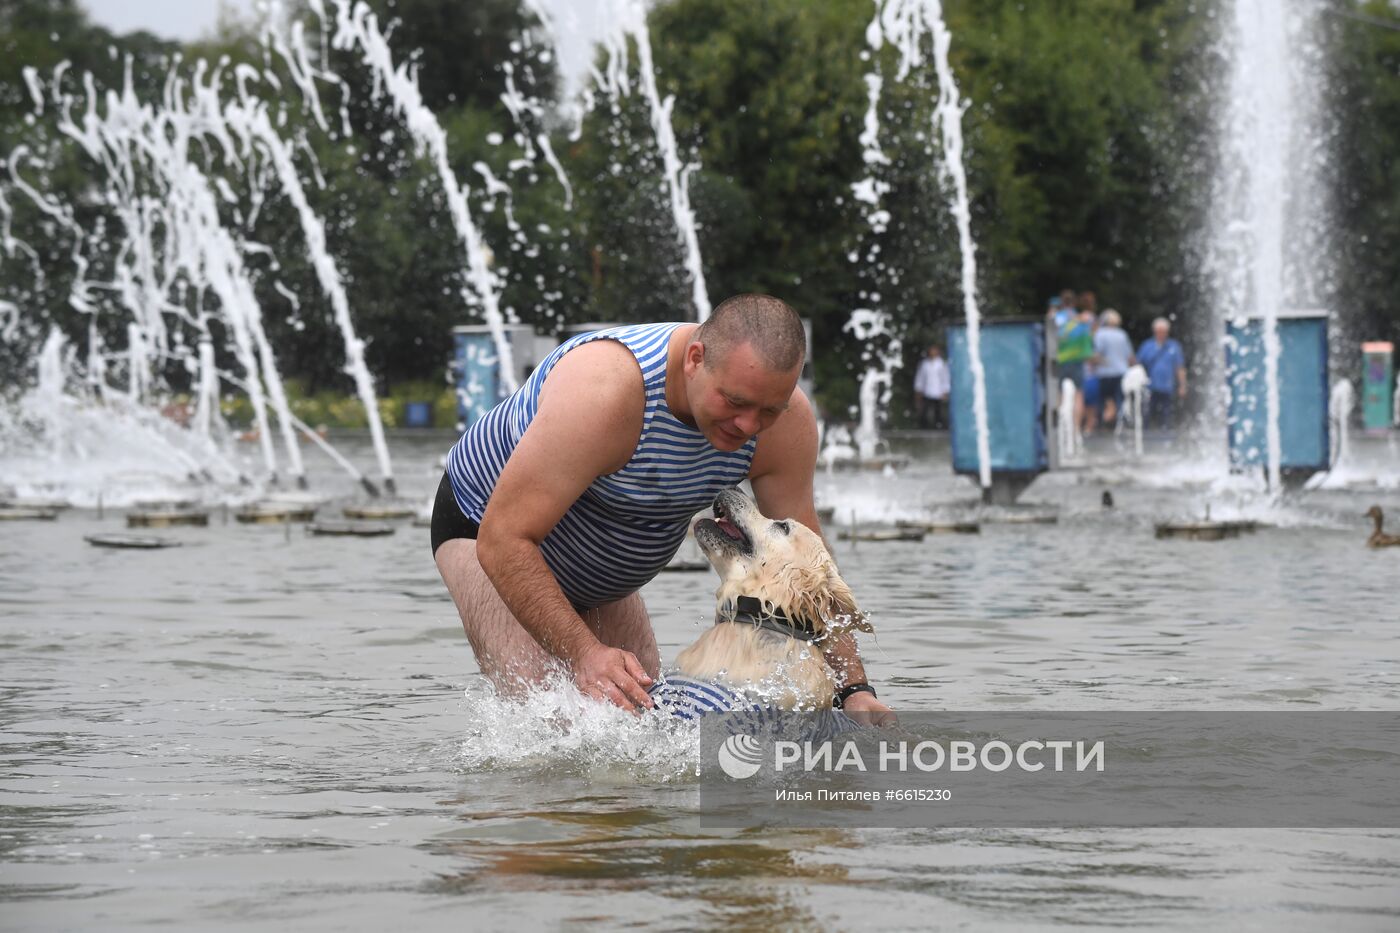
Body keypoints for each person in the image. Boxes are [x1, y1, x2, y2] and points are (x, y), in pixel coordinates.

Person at [430, 294, 892, 719]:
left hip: (602, 563)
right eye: (734, 402)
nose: (748, 425)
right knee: (554, 725)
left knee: (644, 724)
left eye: (768, 410)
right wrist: (586, 653)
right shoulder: (606, 390)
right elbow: (504, 538)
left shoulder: (784, 424)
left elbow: (809, 568)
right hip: (488, 530)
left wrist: (853, 688)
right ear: (695, 359)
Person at [1136, 317, 1187, 431]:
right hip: (1150, 385)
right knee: (1147, 410)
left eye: (1163, 331)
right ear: (1154, 331)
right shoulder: (1147, 346)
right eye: (1159, 331)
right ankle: (1145, 432)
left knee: (1167, 411)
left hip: (1168, 385)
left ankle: (1166, 432)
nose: (1161, 334)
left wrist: (1182, 385)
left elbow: (1179, 367)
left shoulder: (1174, 346)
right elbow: (1138, 365)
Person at [1092, 309, 1134, 427]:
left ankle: (1101, 425)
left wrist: (1095, 362)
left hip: (1105, 373)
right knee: (1119, 399)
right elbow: (1130, 356)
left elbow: (1097, 354)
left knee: (1102, 400)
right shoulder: (1122, 334)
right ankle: (1121, 425)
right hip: (1121, 372)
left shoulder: (1100, 334)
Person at [913, 344, 950, 430]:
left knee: (938, 411)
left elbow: (945, 378)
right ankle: (924, 427)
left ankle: (938, 426)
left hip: (938, 391)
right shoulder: (925, 364)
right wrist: (918, 389)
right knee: (925, 410)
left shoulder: (941, 364)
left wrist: (945, 390)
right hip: (927, 391)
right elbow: (920, 377)